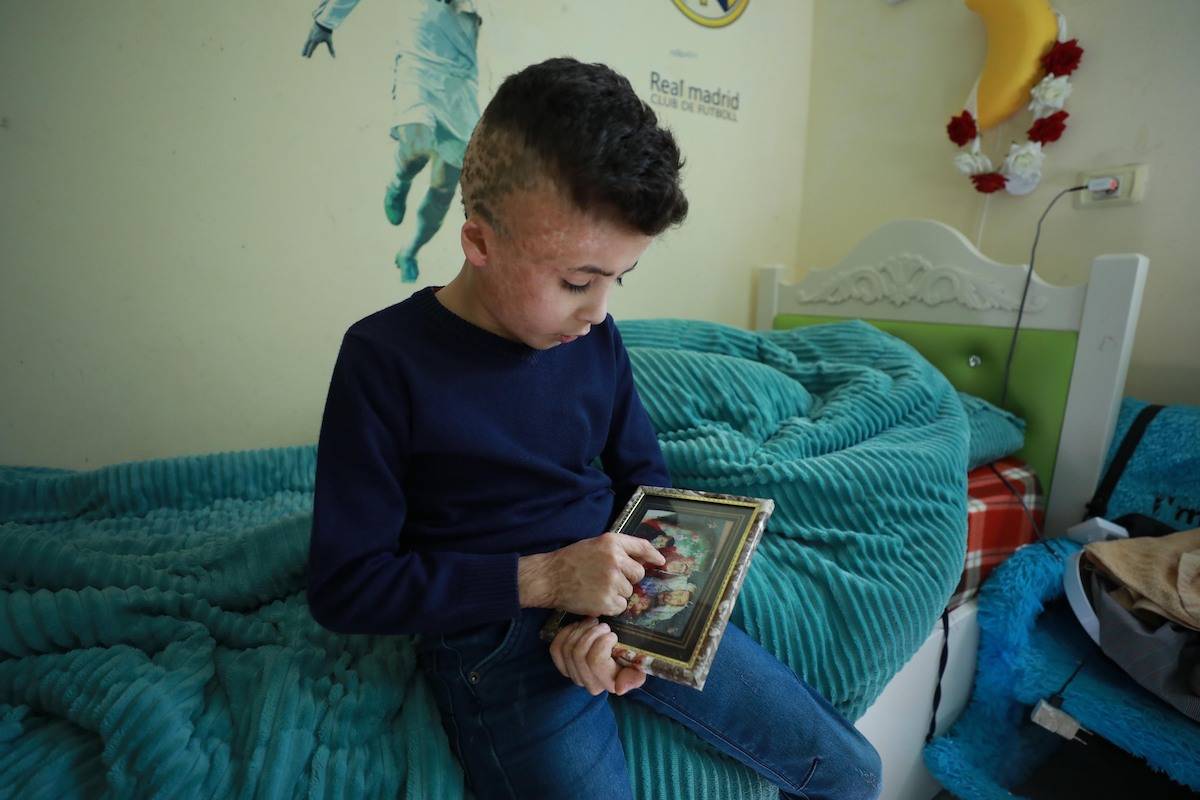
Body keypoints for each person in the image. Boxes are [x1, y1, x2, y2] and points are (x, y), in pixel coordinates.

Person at [307, 56, 881, 800]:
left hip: (616, 603)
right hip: (492, 626)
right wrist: (549, 579)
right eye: (577, 281)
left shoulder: (597, 338)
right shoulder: (382, 359)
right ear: (478, 243)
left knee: (852, 773)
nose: (600, 311)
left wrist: (631, 624)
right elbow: (347, 586)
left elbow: (645, 484)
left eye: (620, 279)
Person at [302, 0, 484, 281]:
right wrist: (325, 21)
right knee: (417, 148)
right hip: (419, 59)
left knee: (444, 187)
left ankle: (409, 252)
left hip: (461, 79)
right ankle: (399, 184)